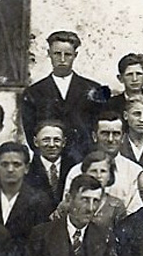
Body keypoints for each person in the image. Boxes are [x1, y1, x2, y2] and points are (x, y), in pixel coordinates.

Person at [20, 31, 106, 160]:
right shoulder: (33, 92)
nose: (62, 59)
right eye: (57, 54)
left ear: (75, 55)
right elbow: (31, 133)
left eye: (67, 54)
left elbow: (99, 128)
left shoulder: (93, 89)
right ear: (49, 54)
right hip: (49, 160)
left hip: (83, 158)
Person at [62, 110, 143, 214]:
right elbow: (68, 207)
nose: (110, 139)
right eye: (105, 133)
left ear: (123, 138)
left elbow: (136, 211)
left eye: (116, 134)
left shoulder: (135, 172)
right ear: (94, 137)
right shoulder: (77, 171)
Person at [0, 142, 55, 252]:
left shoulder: (39, 200)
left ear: (26, 168)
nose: (10, 169)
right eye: (4, 164)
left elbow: (41, 241)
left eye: (16, 164)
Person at [104, 52, 143, 137]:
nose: (134, 79)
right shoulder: (112, 104)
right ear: (120, 78)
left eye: (138, 74)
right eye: (129, 75)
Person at [71, 151, 128, 232]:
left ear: (110, 176)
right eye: (93, 171)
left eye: (103, 171)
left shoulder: (116, 206)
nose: (98, 176)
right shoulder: (72, 201)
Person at [25, 119, 76, 205]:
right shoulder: (29, 169)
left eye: (57, 140)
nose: (52, 145)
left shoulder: (72, 167)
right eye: (46, 140)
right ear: (36, 142)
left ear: (64, 142)